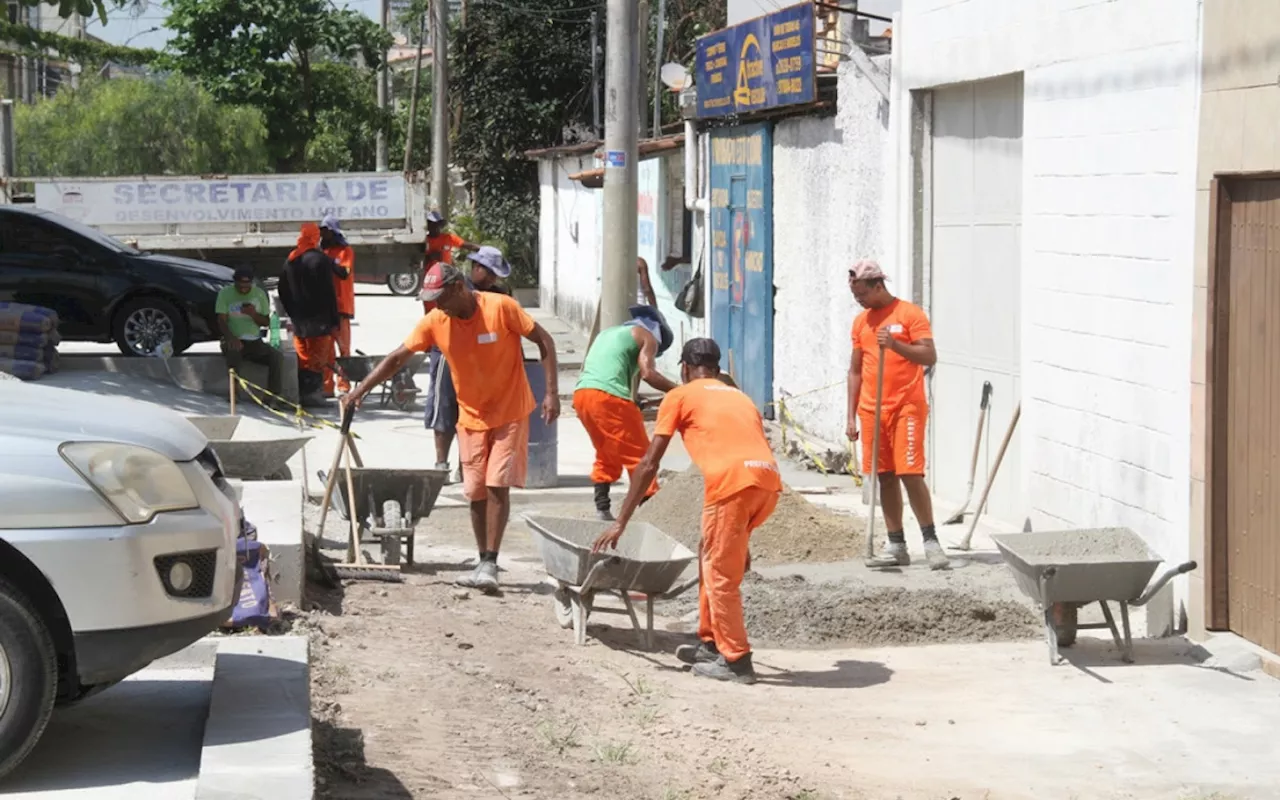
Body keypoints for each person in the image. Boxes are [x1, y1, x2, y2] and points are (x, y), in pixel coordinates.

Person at [344, 262, 560, 594]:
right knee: (474, 491)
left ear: (459, 287)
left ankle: (490, 561)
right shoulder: (436, 322)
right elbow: (397, 358)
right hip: (471, 416)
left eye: (440, 297)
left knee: (496, 484)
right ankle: (482, 560)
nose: (436, 305)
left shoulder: (500, 308)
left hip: (509, 411)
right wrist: (360, 391)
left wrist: (551, 393)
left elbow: (544, 340)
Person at [592, 338, 780, 685]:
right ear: (718, 369)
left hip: (730, 485)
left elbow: (649, 463)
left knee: (720, 574)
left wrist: (621, 521)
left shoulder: (679, 395)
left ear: (683, 369)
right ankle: (710, 643)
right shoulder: (740, 397)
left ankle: (737, 661)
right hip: (767, 482)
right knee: (710, 555)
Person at [845, 259, 947, 571]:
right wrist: (850, 417)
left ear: (878, 286)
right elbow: (855, 371)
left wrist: (896, 344)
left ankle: (930, 541)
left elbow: (929, 355)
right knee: (885, 475)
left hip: (907, 406)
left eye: (862, 294)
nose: (859, 300)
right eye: (855, 295)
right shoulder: (861, 323)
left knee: (909, 473)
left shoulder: (909, 314)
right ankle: (896, 543)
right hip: (871, 410)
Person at [573, 305, 678, 520]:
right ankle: (651, 508)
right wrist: (680, 390)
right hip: (608, 397)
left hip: (582, 395)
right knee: (640, 454)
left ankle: (602, 507)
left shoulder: (609, 334)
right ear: (656, 331)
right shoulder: (647, 336)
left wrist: (639, 401)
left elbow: (616, 373)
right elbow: (648, 374)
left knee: (606, 450)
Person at [421, 246, 513, 481]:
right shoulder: (458, 289)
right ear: (476, 268)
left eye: (495, 275)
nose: (492, 279)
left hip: (478, 361)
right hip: (447, 352)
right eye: (489, 272)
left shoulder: (499, 296)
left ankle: (468, 465)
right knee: (444, 406)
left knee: (471, 412)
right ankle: (441, 464)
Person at [279, 223, 347, 408]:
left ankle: (302, 394)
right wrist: (334, 321)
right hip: (320, 321)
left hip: (300, 321)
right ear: (315, 237)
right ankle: (314, 396)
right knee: (318, 359)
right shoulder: (320, 260)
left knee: (303, 358)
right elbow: (328, 294)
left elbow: (282, 290)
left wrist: (292, 312)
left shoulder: (292, 259)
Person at [216, 267, 284, 404]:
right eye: (240, 284)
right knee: (233, 352)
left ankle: (271, 396)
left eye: (247, 284)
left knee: (277, 357)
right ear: (235, 282)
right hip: (232, 338)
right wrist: (231, 337)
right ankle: (234, 393)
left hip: (254, 341)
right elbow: (221, 320)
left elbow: (266, 322)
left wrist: (253, 314)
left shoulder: (258, 294)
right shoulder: (225, 293)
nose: (243, 288)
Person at [320, 214, 356, 396]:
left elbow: (344, 272)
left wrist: (326, 262)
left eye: (327, 232)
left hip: (341, 308)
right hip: (325, 308)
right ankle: (326, 387)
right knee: (326, 350)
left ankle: (343, 385)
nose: (323, 235)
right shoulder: (321, 251)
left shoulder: (345, 251)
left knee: (343, 349)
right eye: (322, 231)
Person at [422, 210, 479, 314]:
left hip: (447, 280)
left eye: (436, 224)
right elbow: (416, 261)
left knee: (448, 308)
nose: (434, 226)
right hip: (431, 280)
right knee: (431, 310)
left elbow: (466, 245)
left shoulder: (448, 238)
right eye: (431, 224)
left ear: (440, 225)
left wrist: (482, 249)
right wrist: (429, 257)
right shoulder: (423, 241)